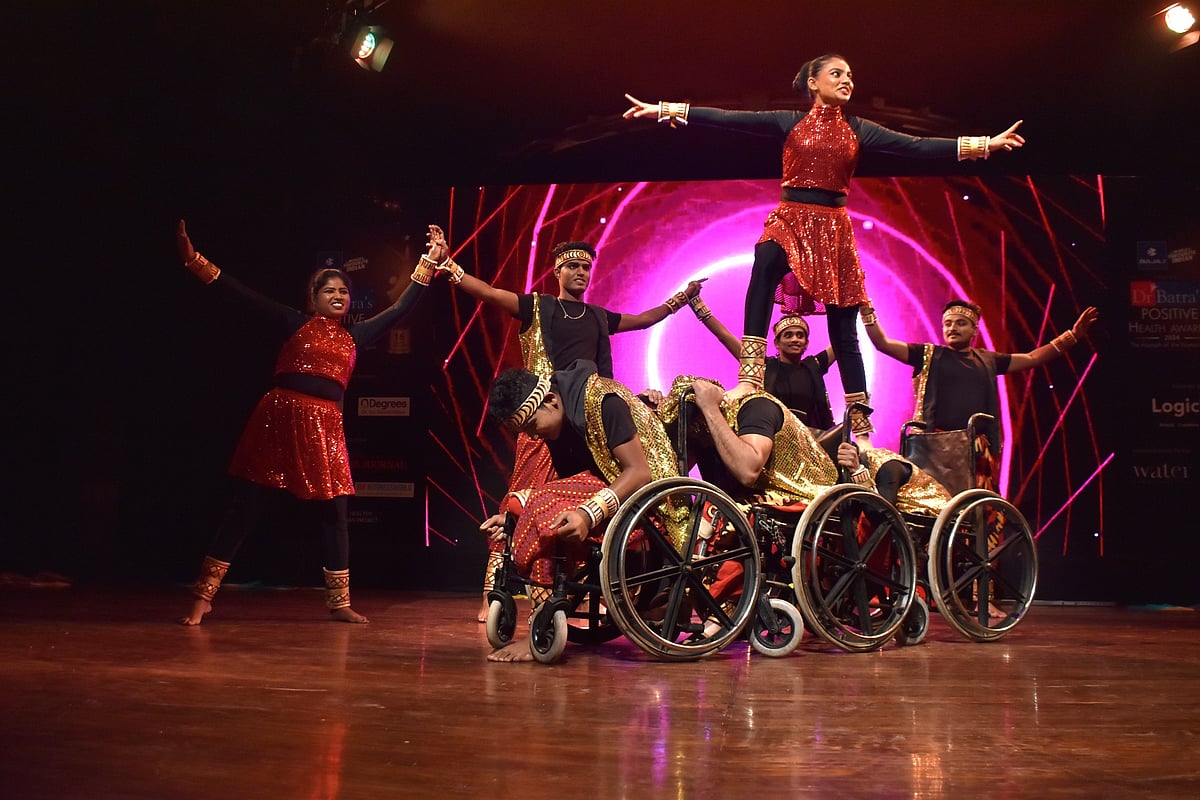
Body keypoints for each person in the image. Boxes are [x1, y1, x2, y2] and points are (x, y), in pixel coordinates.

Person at [623, 53, 1026, 439]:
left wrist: (984, 144)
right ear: (813, 83)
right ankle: (749, 378)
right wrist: (665, 109)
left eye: (850, 75)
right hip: (791, 217)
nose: (847, 80)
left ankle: (860, 421)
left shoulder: (859, 129)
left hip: (833, 230)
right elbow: (729, 119)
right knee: (764, 263)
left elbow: (916, 146)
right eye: (836, 74)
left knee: (843, 329)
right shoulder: (790, 122)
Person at [175, 219, 443, 625]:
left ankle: (339, 603)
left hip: (325, 427)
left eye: (344, 291)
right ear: (313, 298)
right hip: (281, 417)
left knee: (336, 512)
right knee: (245, 507)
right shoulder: (294, 323)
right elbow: (244, 297)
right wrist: (195, 262)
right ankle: (203, 595)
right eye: (329, 290)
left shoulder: (356, 336)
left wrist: (429, 261)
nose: (339, 296)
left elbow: (401, 306)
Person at [432, 230, 704, 619]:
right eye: (572, 266)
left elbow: (644, 320)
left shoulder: (597, 317)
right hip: (543, 420)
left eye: (585, 267)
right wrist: (448, 267)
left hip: (585, 422)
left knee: (564, 504)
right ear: (556, 271)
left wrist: (682, 299)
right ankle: (492, 597)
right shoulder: (538, 308)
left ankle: (569, 592)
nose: (580, 273)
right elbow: (491, 293)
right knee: (517, 504)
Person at [480, 360, 679, 661]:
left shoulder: (603, 402)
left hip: (652, 500)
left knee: (541, 506)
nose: (533, 438)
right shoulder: (560, 423)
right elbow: (571, 483)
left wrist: (588, 514)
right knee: (527, 506)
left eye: (532, 426)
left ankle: (540, 626)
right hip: (608, 491)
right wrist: (513, 521)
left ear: (550, 400)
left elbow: (640, 473)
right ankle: (542, 620)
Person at [861, 298, 1099, 491]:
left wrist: (1072, 336)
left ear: (974, 329)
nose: (952, 328)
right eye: (948, 323)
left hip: (975, 449)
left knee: (976, 514)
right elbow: (882, 343)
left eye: (960, 323)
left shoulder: (987, 360)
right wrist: (867, 310)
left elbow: (1032, 358)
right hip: (934, 446)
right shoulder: (929, 355)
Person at [689, 295, 835, 431]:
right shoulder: (762, 365)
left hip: (809, 440)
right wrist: (697, 304)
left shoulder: (813, 366)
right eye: (788, 335)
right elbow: (725, 337)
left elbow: (841, 342)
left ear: (806, 343)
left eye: (800, 335)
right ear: (777, 343)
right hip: (770, 437)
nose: (794, 339)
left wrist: (853, 305)